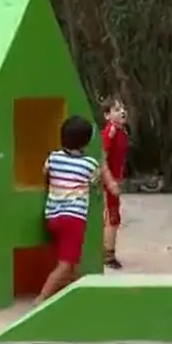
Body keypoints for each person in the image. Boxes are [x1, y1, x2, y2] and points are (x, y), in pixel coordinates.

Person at [35, 116, 121, 304]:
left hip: (52, 217)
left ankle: (80, 293)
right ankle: (41, 300)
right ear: (87, 141)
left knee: (71, 263)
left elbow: (45, 173)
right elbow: (95, 182)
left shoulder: (53, 158)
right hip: (73, 219)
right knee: (66, 265)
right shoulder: (89, 164)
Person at [100, 97, 129, 269]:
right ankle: (107, 255)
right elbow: (101, 158)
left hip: (115, 179)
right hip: (107, 181)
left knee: (114, 216)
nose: (122, 111)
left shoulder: (121, 132)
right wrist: (110, 181)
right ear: (107, 115)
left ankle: (108, 252)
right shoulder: (109, 132)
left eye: (123, 108)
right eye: (116, 109)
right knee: (111, 217)